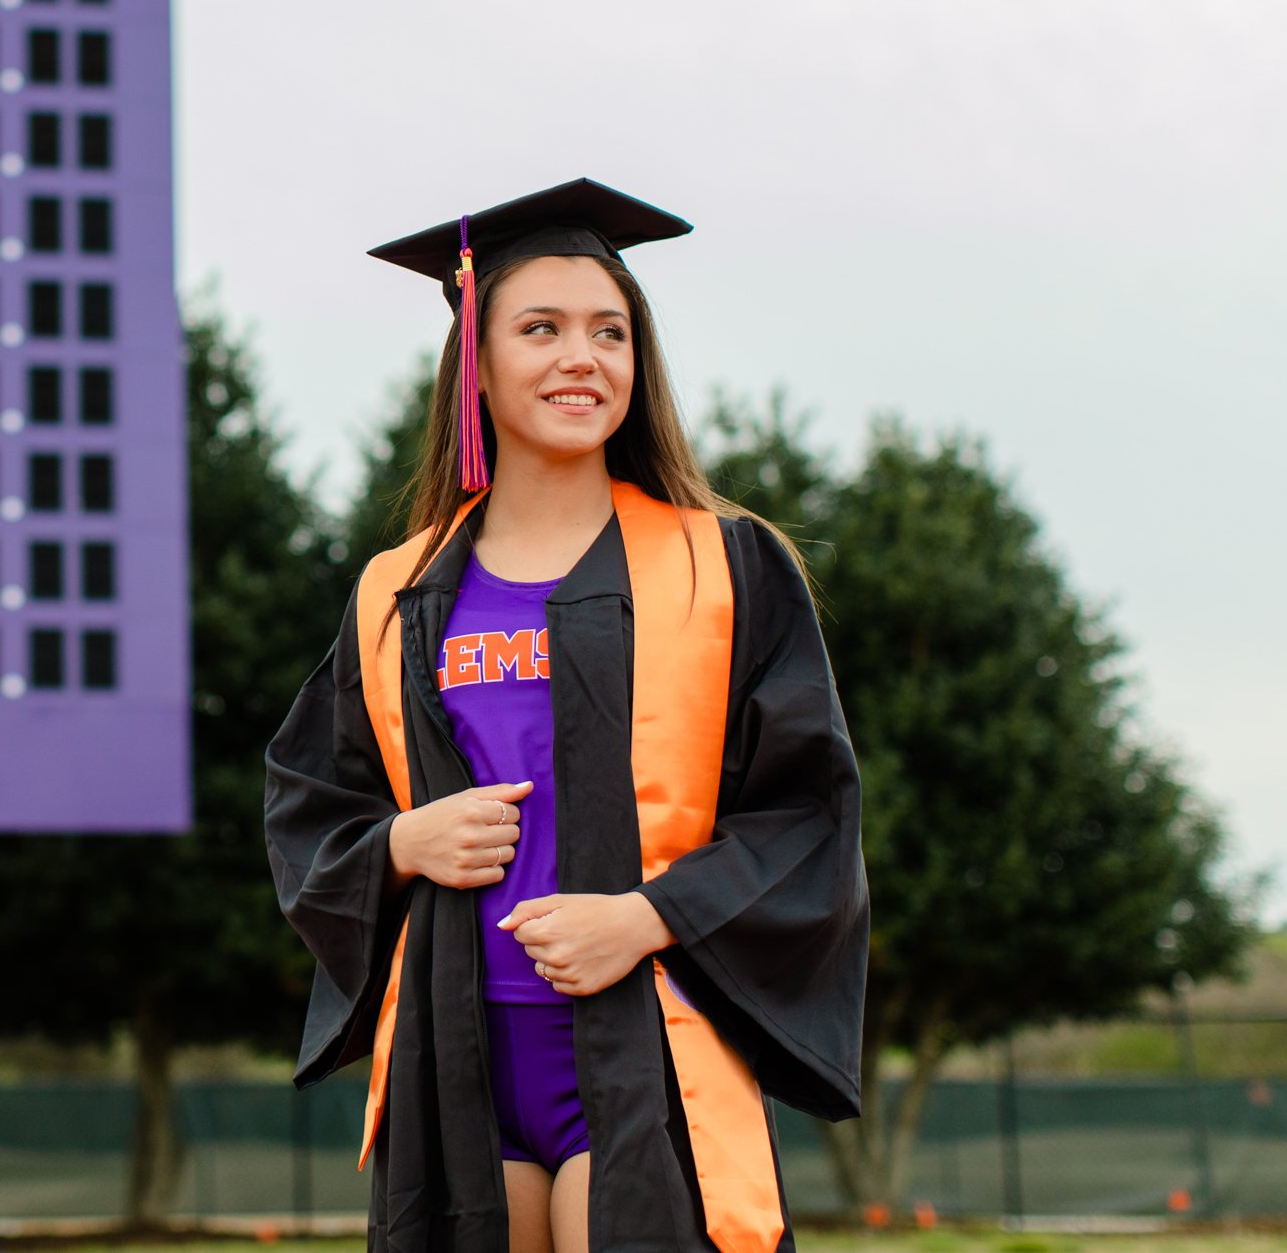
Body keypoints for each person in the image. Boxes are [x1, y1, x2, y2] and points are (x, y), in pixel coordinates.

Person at [264, 180, 867, 1253]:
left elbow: (805, 807)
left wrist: (648, 915)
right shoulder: (398, 590)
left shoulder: (718, 566)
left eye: (609, 331)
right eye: (538, 328)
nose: (579, 357)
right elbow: (313, 799)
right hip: (457, 1046)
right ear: (477, 364)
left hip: (645, 1038)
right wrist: (402, 840)